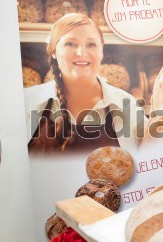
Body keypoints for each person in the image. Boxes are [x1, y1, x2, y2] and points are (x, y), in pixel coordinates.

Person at [25, 13, 145, 154]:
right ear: (53, 51)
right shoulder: (26, 102)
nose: (82, 53)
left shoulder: (127, 106)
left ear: (101, 50)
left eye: (91, 44)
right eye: (70, 44)